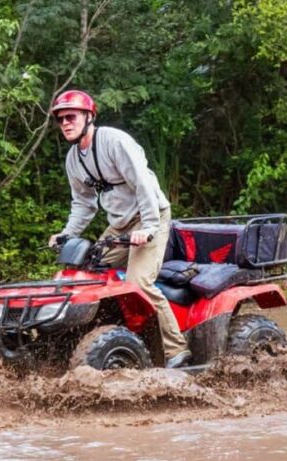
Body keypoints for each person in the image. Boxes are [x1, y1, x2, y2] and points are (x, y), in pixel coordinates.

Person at [47, 89, 191, 367]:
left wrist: (148, 227)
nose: (65, 123)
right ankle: (95, 338)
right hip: (120, 225)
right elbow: (83, 204)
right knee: (84, 273)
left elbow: (144, 185)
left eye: (71, 116)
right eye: (60, 119)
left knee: (139, 282)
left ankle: (176, 349)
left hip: (151, 216)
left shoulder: (115, 141)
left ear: (89, 117)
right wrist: (67, 235)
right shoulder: (73, 160)